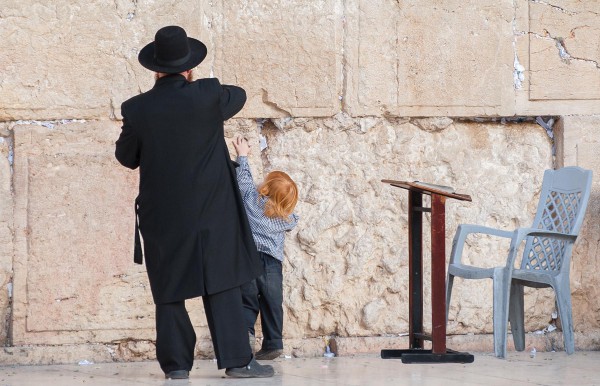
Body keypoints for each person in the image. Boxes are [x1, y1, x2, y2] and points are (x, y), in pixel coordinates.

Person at [115, 25, 274, 380]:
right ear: (189, 68)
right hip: (213, 213)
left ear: (155, 69)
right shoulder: (208, 95)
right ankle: (237, 362)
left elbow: (127, 157)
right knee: (222, 282)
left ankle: (176, 368)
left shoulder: (137, 108)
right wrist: (197, 85)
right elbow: (240, 94)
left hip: (164, 216)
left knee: (169, 291)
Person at [232, 136, 299, 360]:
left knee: (247, 300)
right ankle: (273, 342)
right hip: (272, 263)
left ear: (265, 188)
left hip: (248, 259)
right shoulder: (288, 219)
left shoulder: (252, 200)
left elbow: (243, 181)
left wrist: (242, 155)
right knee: (272, 302)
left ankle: (246, 335)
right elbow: (292, 218)